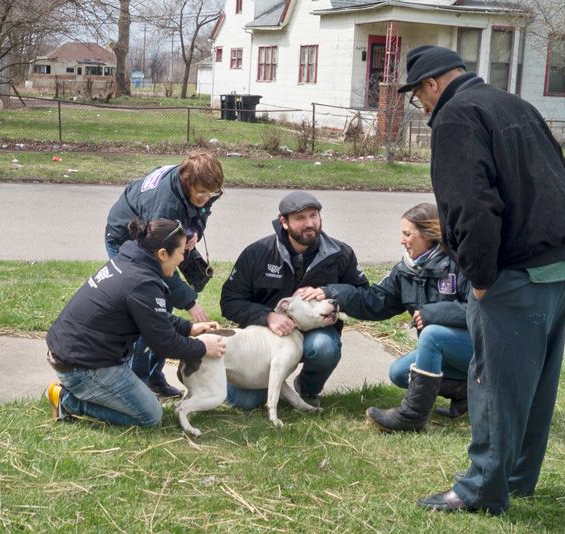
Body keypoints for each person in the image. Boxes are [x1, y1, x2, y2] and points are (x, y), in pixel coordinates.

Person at [398, 45, 565, 514]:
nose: (420, 106)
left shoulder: (455, 116)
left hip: (515, 270)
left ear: (433, 84)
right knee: (536, 383)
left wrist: (479, 279)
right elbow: (560, 175)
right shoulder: (513, 103)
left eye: (418, 95)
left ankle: (481, 488)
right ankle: (518, 477)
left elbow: (470, 205)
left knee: (495, 383)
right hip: (559, 262)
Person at [302, 203, 472, 432]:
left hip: (480, 350)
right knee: (400, 372)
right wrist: (333, 293)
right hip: (444, 350)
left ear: (429, 234)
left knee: (432, 334)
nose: (402, 240)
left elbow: (481, 310)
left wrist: (434, 313)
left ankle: (412, 417)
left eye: (407, 234)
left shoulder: (460, 262)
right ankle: (468, 395)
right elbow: (375, 302)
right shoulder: (406, 270)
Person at [45, 218, 227, 426]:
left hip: (74, 354)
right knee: (150, 417)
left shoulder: (131, 261)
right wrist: (203, 347)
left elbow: (149, 315)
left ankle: (80, 392)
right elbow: (164, 343)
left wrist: (189, 328)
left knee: (145, 407)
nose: (182, 259)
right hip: (83, 367)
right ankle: (67, 400)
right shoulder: (142, 282)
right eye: (180, 253)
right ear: (162, 254)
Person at [219, 191, 369, 409]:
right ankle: (236, 379)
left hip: (315, 333)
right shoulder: (257, 253)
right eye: (300, 218)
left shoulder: (341, 254)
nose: (309, 224)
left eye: (313, 216)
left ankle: (307, 390)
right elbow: (229, 301)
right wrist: (267, 316)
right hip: (264, 341)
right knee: (244, 402)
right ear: (284, 222)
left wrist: (330, 291)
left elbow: (364, 296)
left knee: (324, 347)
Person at [105, 151, 224, 398]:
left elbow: (201, 212)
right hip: (128, 239)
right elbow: (160, 263)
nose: (205, 198)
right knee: (149, 310)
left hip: (160, 236)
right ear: (186, 182)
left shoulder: (199, 185)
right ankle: (135, 385)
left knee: (162, 307)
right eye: (201, 192)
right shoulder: (164, 205)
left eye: (210, 194)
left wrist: (194, 232)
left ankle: (154, 378)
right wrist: (190, 303)